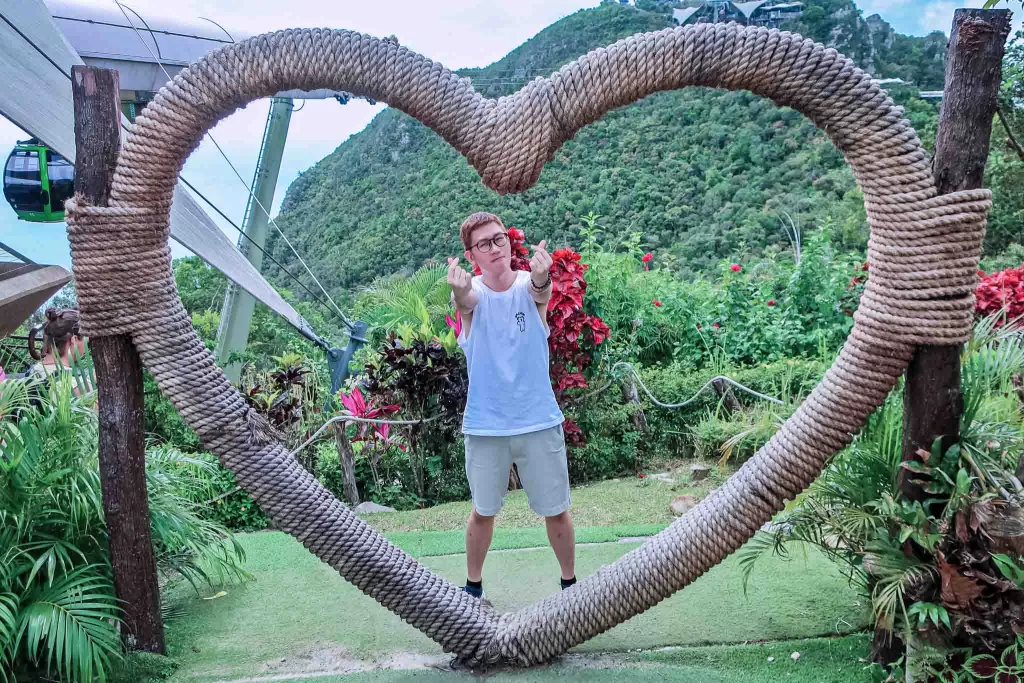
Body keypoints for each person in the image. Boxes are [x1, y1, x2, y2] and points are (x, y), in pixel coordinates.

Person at [447, 211, 576, 600]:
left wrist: (541, 275)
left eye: (499, 238)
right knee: (483, 511)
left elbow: (540, 290)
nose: (494, 247)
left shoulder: (528, 286)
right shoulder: (471, 296)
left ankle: (570, 586)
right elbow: (467, 301)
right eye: (484, 243)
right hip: (486, 427)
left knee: (556, 509)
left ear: (508, 241)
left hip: (537, 421)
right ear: (472, 256)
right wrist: (457, 290)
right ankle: (472, 590)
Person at [28, 307, 86, 384]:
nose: (85, 348)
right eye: (85, 340)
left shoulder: (31, 373)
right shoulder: (77, 386)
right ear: (74, 340)